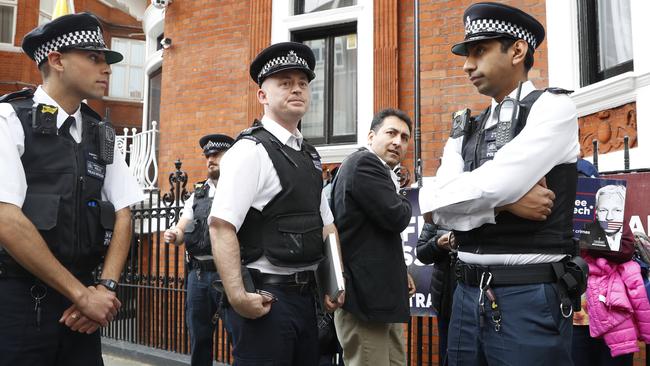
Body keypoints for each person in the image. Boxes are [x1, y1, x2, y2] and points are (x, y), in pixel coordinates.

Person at [418, 2, 583, 365]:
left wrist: (474, 199)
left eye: (480, 51)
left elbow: (487, 186)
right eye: (467, 54)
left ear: (518, 51)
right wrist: (503, 205)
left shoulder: (552, 108)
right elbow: (433, 205)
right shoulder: (466, 126)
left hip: (527, 293)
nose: (467, 65)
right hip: (463, 293)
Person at [0, 12, 143, 365]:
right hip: (20, 304)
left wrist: (104, 290)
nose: (106, 68)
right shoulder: (9, 120)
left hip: (84, 310)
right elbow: (5, 216)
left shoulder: (101, 132)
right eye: (94, 57)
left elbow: (124, 213)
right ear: (56, 60)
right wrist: (82, 296)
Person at [208, 41, 344, 366]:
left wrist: (333, 280)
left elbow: (326, 226)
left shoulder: (310, 155)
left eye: (302, 83)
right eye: (285, 83)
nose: (296, 89)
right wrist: (238, 296)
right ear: (263, 96)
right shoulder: (249, 151)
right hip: (267, 298)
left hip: (307, 298)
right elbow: (220, 226)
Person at [332, 108, 414, 366]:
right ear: (370, 136)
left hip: (378, 300)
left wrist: (401, 273)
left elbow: (374, 237)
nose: (397, 142)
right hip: (364, 302)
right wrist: (403, 196)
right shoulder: (365, 163)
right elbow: (397, 216)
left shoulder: (377, 171)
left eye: (404, 137)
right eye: (391, 133)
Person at [164, 133, 234, 366]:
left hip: (232, 274)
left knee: (239, 335)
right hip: (199, 275)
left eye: (217, 155)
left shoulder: (240, 190)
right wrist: (174, 235)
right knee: (199, 337)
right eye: (207, 156)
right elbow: (183, 227)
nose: (210, 160)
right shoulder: (198, 194)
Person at [415, 221, 454, 366]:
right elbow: (421, 253)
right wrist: (438, 243)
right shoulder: (438, 208)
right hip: (445, 300)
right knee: (447, 355)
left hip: (478, 297)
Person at [580, 185, 626, 251]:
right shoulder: (587, 235)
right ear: (596, 213)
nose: (609, 217)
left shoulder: (632, 236)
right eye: (603, 210)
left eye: (617, 210)